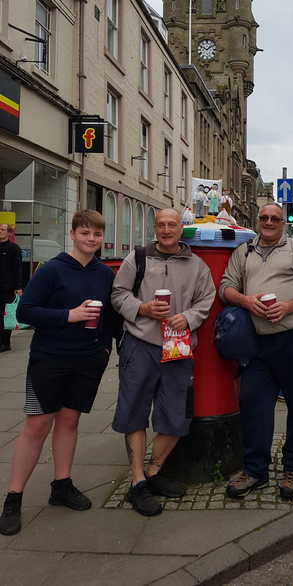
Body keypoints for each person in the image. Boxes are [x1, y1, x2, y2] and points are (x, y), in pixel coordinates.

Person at [0, 210, 115, 536]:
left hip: (86, 360)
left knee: (69, 421)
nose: (91, 239)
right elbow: (26, 312)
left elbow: (111, 317)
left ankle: (61, 484)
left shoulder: (104, 274)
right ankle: (13, 497)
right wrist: (71, 315)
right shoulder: (51, 270)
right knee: (36, 425)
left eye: (96, 234)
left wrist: (104, 350)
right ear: (73, 234)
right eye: (85, 233)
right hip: (49, 359)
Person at [111, 208, 215, 517]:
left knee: (175, 414)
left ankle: (154, 471)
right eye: (161, 224)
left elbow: (205, 300)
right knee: (134, 411)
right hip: (140, 344)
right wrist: (142, 308)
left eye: (172, 224)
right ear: (155, 228)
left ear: (181, 229)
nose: (166, 229)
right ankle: (137, 480)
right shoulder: (138, 257)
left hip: (177, 345)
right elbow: (118, 294)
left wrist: (189, 318)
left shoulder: (197, 265)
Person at [220, 202, 293, 500]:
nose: (269, 222)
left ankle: (292, 469)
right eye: (264, 218)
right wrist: (245, 301)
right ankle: (255, 470)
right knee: (254, 406)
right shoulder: (243, 251)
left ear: (283, 222)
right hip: (257, 343)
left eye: (275, 218)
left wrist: (289, 306)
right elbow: (226, 286)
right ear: (258, 221)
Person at [0, 222, 23, 352]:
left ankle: (5, 342)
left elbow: (18, 269)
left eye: (3, 229)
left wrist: (18, 287)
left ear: (8, 233)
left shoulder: (14, 248)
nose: (0, 231)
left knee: (5, 315)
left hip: (7, 288)